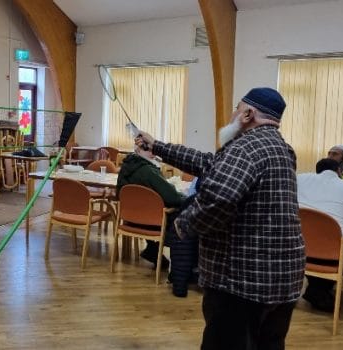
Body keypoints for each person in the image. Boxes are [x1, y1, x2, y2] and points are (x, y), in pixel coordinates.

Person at [136, 87, 305, 350]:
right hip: (281, 279)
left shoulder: (245, 148)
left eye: (237, 108)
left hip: (241, 280)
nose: (232, 114)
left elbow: (220, 199)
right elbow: (209, 163)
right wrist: (157, 146)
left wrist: (183, 224)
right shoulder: (281, 148)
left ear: (248, 113)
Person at [296, 158, 343, 312]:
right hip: (332, 258)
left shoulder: (300, 179)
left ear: (316, 171)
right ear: (339, 171)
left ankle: (317, 288)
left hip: (299, 252)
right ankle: (319, 290)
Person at [116, 146, 184, 274]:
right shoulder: (148, 170)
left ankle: (153, 248)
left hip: (131, 219)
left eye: (153, 149)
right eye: (148, 150)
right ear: (138, 150)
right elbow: (172, 197)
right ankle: (180, 265)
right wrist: (186, 198)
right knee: (182, 212)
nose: (152, 153)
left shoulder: (126, 167)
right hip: (151, 221)